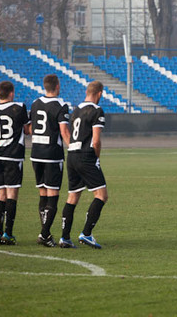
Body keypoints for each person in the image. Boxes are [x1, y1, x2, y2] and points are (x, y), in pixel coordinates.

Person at [59, 81, 107, 249]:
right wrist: (97, 157)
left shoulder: (76, 110)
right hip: (86, 156)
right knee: (101, 195)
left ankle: (65, 237)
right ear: (99, 93)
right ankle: (86, 233)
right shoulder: (97, 110)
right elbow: (96, 140)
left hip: (72, 155)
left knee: (73, 196)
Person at [30, 74, 71, 247]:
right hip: (52, 155)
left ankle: (45, 233)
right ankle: (44, 233)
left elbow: (30, 128)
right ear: (57, 86)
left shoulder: (35, 103)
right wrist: (73, 148)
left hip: (36, 153)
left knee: (43, 194)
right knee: (53, 195)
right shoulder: (61, 105)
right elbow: (64, 131)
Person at [0, 81, 31, 244]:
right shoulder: (19, 107)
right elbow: (27, 130)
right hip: (13, 155)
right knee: (12, 194)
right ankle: (8, 233)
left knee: (1, 195)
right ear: (12, 93)